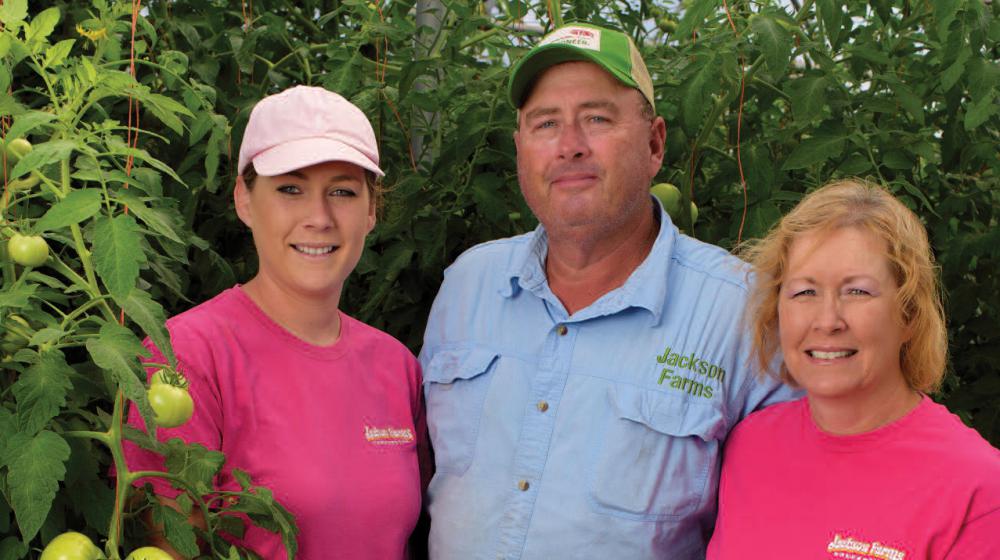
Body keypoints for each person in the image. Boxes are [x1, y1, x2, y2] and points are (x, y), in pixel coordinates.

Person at [419, 23, 797, 559]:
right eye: (546, 123)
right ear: (520, 147)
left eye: (596, 118)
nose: (570, 146)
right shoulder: (467, 284)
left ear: (654, 143)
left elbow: (793, 515)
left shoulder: (741, 311)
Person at [124, 85, 430, 559]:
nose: (319, 217)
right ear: (244, 200)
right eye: (291, 188)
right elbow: (172, 544)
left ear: (371, 211)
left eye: (343, 192)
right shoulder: (185, 355)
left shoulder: (396, 366)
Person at [706, 179, 1000, 559]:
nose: (827, 321)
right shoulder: (749, 445)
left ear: (909, 314)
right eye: (804, 292)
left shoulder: (979, 490)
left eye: (857, 291)